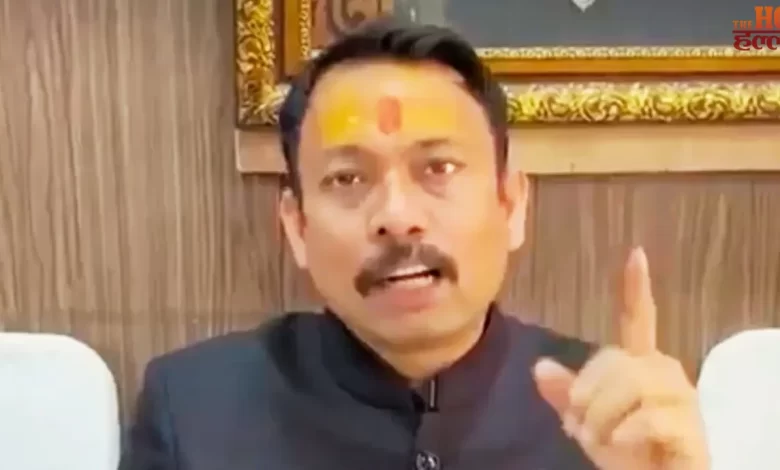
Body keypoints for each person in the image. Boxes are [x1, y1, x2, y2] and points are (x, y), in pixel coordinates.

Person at [120, 18, 709, 470]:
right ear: (297, 227)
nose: (397, 218)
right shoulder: (193, 410)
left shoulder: (612, 415)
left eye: (439, 168)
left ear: (511, 204)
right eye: (348, 179)